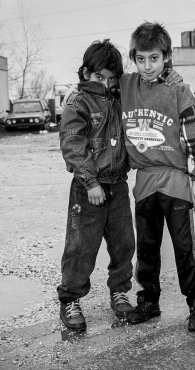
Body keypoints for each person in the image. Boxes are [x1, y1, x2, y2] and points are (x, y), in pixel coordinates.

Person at [119, 22, 195, 331]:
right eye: (141, 58)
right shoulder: (126, 87)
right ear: (134, 57)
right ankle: (148, 302)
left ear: (167, 57)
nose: (147, 66)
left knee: (186, 249)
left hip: (176, 181)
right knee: (146, 249)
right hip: (144, 182)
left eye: (154, 58)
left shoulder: (179, 89)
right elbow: (98, 87)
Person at [57, 39, 135, 331]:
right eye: (98, 76)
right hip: (88, 188)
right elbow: (73, 144)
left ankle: (120, 292)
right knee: (81, 247)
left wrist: (171, 74)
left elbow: (147, 81)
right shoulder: (78, 102)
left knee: (124, 243)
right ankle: (70, 300)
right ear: (86, 73)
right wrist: (90, 182)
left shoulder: (122, 98)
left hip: (118, 185)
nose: (105, 83)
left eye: (111, 78)